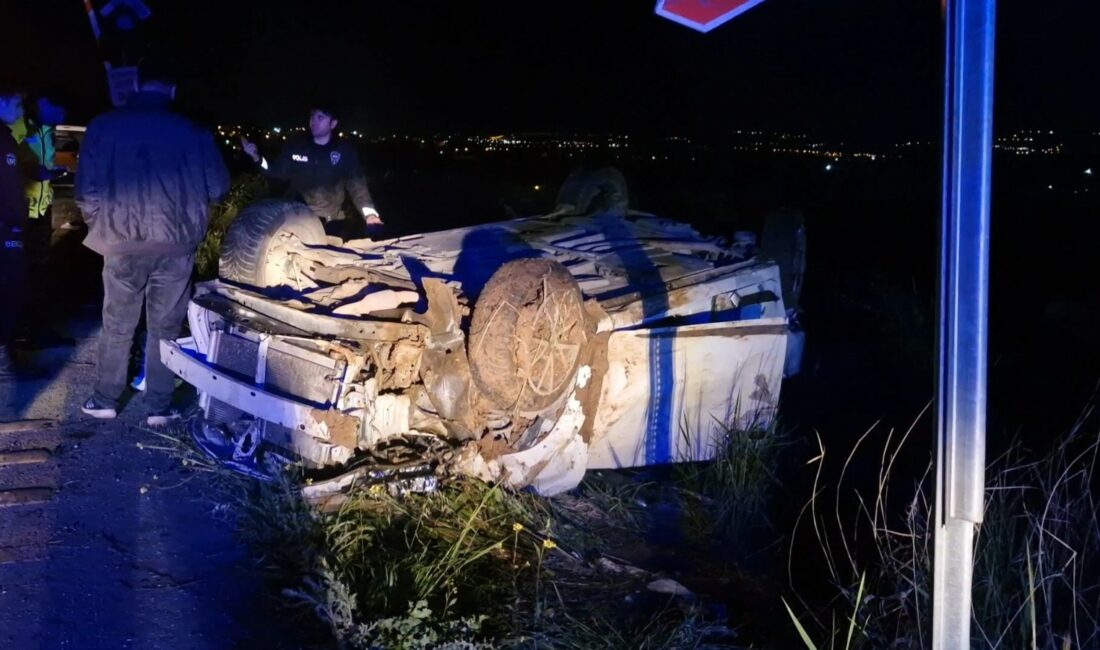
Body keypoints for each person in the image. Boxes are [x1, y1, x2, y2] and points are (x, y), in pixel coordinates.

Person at [75, 61, 229, 425]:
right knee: (166, 327)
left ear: (136, 86)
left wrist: (101, 224)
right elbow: (218, 187)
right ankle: (159, 406)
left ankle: (105, 399)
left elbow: (86, 189)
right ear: (172, 90)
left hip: (120, 242)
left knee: (117, 323)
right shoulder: (193, 131)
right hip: (176, 244)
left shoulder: (103, 126)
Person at [240, 104, 382, 239]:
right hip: (297, 220)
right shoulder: (296, 147)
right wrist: (256, 157)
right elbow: (275, 172)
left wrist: (370, 215)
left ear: (333, 124)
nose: (314, 121)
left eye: (320, 117)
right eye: (312, 116)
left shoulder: (344, 151)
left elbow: (357, 186)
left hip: (332, 223)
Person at [0, 86, 28, 381]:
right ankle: (3, 363)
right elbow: (8, 189)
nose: (21, 113)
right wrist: (15, 222)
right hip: (5, 229)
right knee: (9, 290)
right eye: (16, 106)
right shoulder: (3, 141)